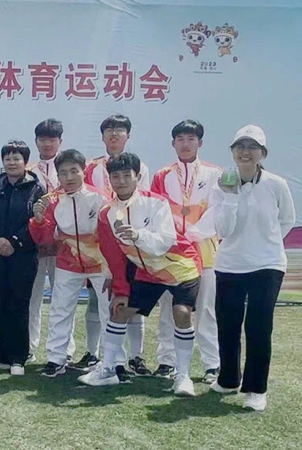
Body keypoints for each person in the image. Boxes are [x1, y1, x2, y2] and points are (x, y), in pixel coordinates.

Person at [80, 153, 202, 397]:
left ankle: (183, 376)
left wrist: (138, 235)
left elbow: (166, 241)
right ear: (109, 179)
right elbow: (113, 255)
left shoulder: (156, 202)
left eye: (127, 175)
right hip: (146, 271)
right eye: (116, 176)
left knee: (181, 313)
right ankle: (108, 370)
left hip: (180, 265)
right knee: (119, 310)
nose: (121, 181)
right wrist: (120, 287)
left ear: (137, 176)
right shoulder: (106, 213)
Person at [209, 125, 295, 411]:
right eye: (240, 146)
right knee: (227, 325)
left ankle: (256, 389)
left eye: (252, 147)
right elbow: (224, 229)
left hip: (267, 265)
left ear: (263, 153)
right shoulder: (221, 185)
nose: (245, 152)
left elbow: (287, 220)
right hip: (230, 264)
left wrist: (265, 244)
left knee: (258, 326)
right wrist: (231, 195)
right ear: (232, 151)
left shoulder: (276, 184)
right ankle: (228, 380)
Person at [77, 114, 152, 376]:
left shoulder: (140, 167)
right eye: (109, 130)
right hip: (98, 245)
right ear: (102, 136)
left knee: (132, 303)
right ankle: (92, 352)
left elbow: (144, 203)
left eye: (119, 130)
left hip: (132, 244)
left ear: (128, 135)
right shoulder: (89, 167)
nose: (114, 134)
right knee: (96, 300)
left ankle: (136, 357)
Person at [29, 150, 111, 378]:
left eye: (74, 171)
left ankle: (113, 360)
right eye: (63, 173)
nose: (69, 177)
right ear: (58, 176)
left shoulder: (100, 198)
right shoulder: (51, 200)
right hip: (67, 262)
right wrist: (38, 221)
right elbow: (45, 239)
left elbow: (110, 233)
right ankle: (56, 358)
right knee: (60, 310)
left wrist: (113, 266)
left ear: (84, 171)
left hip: (100, 262)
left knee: (108, 310)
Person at [151, 120, 221, 382]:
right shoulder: (162, 175)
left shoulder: (215, 174)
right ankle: (166, 361)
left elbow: (217, 210)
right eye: (180, 139)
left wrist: (192, 234)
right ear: (173, 143)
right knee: (169, 308)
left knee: (206, 310)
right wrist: (175, 238)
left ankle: (211, 364)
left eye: (191, 139)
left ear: (200, 143)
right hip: (172, 253)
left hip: (205, 251)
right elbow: (156, 210)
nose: (185, 144)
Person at [0, 141, 43, 376]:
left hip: (23, 255)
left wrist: (14, 241)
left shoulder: (36, 188)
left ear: (25, 162)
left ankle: (18, 359)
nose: (12, 163)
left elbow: (36, 222)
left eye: (17, 158)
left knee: (19, 305)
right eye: (8, 158)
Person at [26, 119, 73, 362]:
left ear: (60, 141)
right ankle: (29, 347)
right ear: (36, 141)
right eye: (42, 139)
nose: (47, 144)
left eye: (52, 139)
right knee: (31, 299)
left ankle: (65, 350)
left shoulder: (69, 171)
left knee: (62, 300)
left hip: (63, 245)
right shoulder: (28, 170)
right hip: (34, 245)